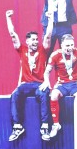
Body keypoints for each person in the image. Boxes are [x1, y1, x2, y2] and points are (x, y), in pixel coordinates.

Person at [5, 10, 48, 142]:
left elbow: (49, 35)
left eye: (37, 39)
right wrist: (8, 18)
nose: (36, 41)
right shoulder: (22, 49)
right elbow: (12, 34)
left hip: (39, 84)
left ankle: (44, 127)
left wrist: (50, 20)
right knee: (15, 94)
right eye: (33, 39)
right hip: (25, 84)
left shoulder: (42, 50)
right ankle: (17, 127)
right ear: (27, 41)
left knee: (44, 93)